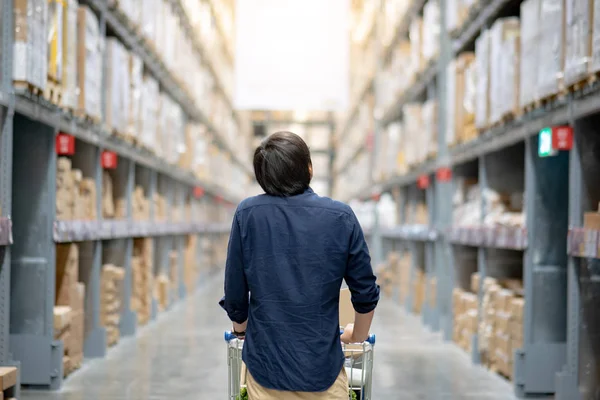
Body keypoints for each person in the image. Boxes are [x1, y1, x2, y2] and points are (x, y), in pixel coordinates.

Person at [219, 131, 380, 399]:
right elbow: (365, 292)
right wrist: (357, 336)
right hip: (323, 372)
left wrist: (241, 329)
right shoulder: (340, 216)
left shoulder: (247, 214)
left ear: (263, 177)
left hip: (265, 370)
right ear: (309, 168)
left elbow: (235, 290)